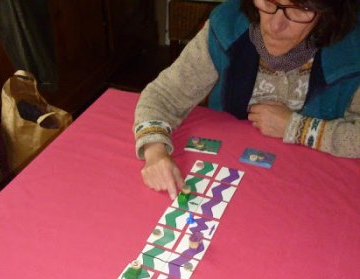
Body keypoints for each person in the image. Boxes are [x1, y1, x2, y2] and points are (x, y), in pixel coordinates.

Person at [134, 0, 360, 199]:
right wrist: (155, 151)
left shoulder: (353, 48)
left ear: (328, 10)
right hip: (233, 180)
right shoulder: (228, 24)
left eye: (300, 9)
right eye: (268, 2)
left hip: (313, 188)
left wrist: (297, 127)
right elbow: (163, 94)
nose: (276, 25)